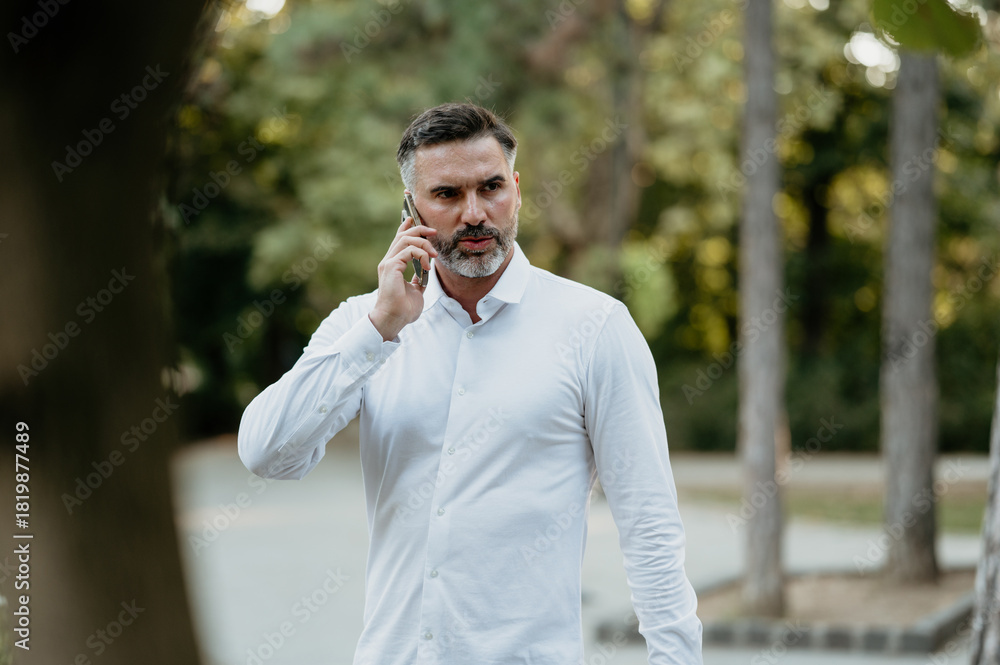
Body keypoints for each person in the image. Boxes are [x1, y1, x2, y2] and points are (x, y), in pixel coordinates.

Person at [238, 102, 703, 665]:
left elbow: (649, 522)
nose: (475, 213)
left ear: (517, 190)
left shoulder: (595, 327)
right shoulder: (364, 325)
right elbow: (267, 453)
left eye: (491, 187)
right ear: (411, 209)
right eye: (447, 195)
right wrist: (379, 330)